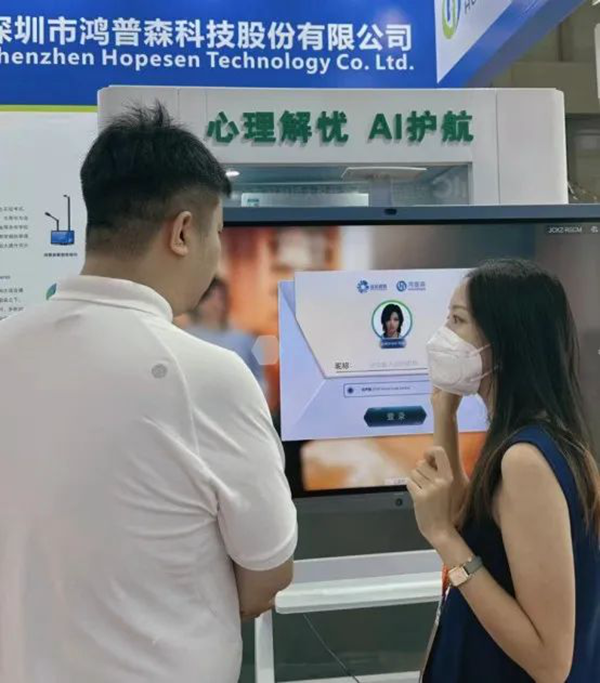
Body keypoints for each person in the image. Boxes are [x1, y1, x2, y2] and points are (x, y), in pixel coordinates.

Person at [0, 105, 297, 683]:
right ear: (182, 232)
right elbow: (268, 572)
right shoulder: (206, 374)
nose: (216, 254)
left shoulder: (7, 344)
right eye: (217, 233)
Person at [408, 259, 600, 682]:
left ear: (502, 340)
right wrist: (444, 412)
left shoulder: (526, 460)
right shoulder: (527, 438)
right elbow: (469, 522)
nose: (443, 336)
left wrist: (441, 538)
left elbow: (550, 662)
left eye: (457, 320)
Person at [185, 277, 266, 392]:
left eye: (220, 298)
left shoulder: (244, 339)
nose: (215, 304)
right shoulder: (186, 338)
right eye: (209, 297)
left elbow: (259, 380)